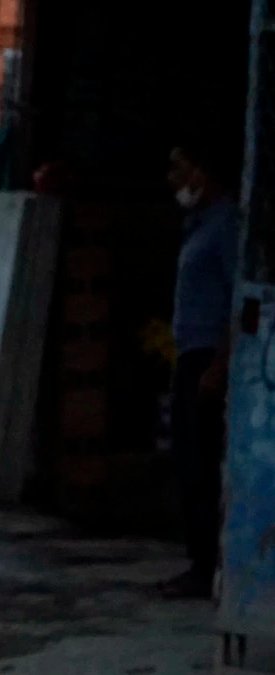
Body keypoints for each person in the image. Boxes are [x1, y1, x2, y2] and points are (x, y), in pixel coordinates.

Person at [161, 138, 241, 599]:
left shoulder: (225, 226)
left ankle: (208, 564)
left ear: (202, 175)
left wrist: (219, 365)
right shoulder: (199, 225)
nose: (174, 182)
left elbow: (236, 299)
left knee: (202, 465)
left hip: (207, 358)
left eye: (180, 170)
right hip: (189, 352)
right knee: (188, 462)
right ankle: (199, 559)